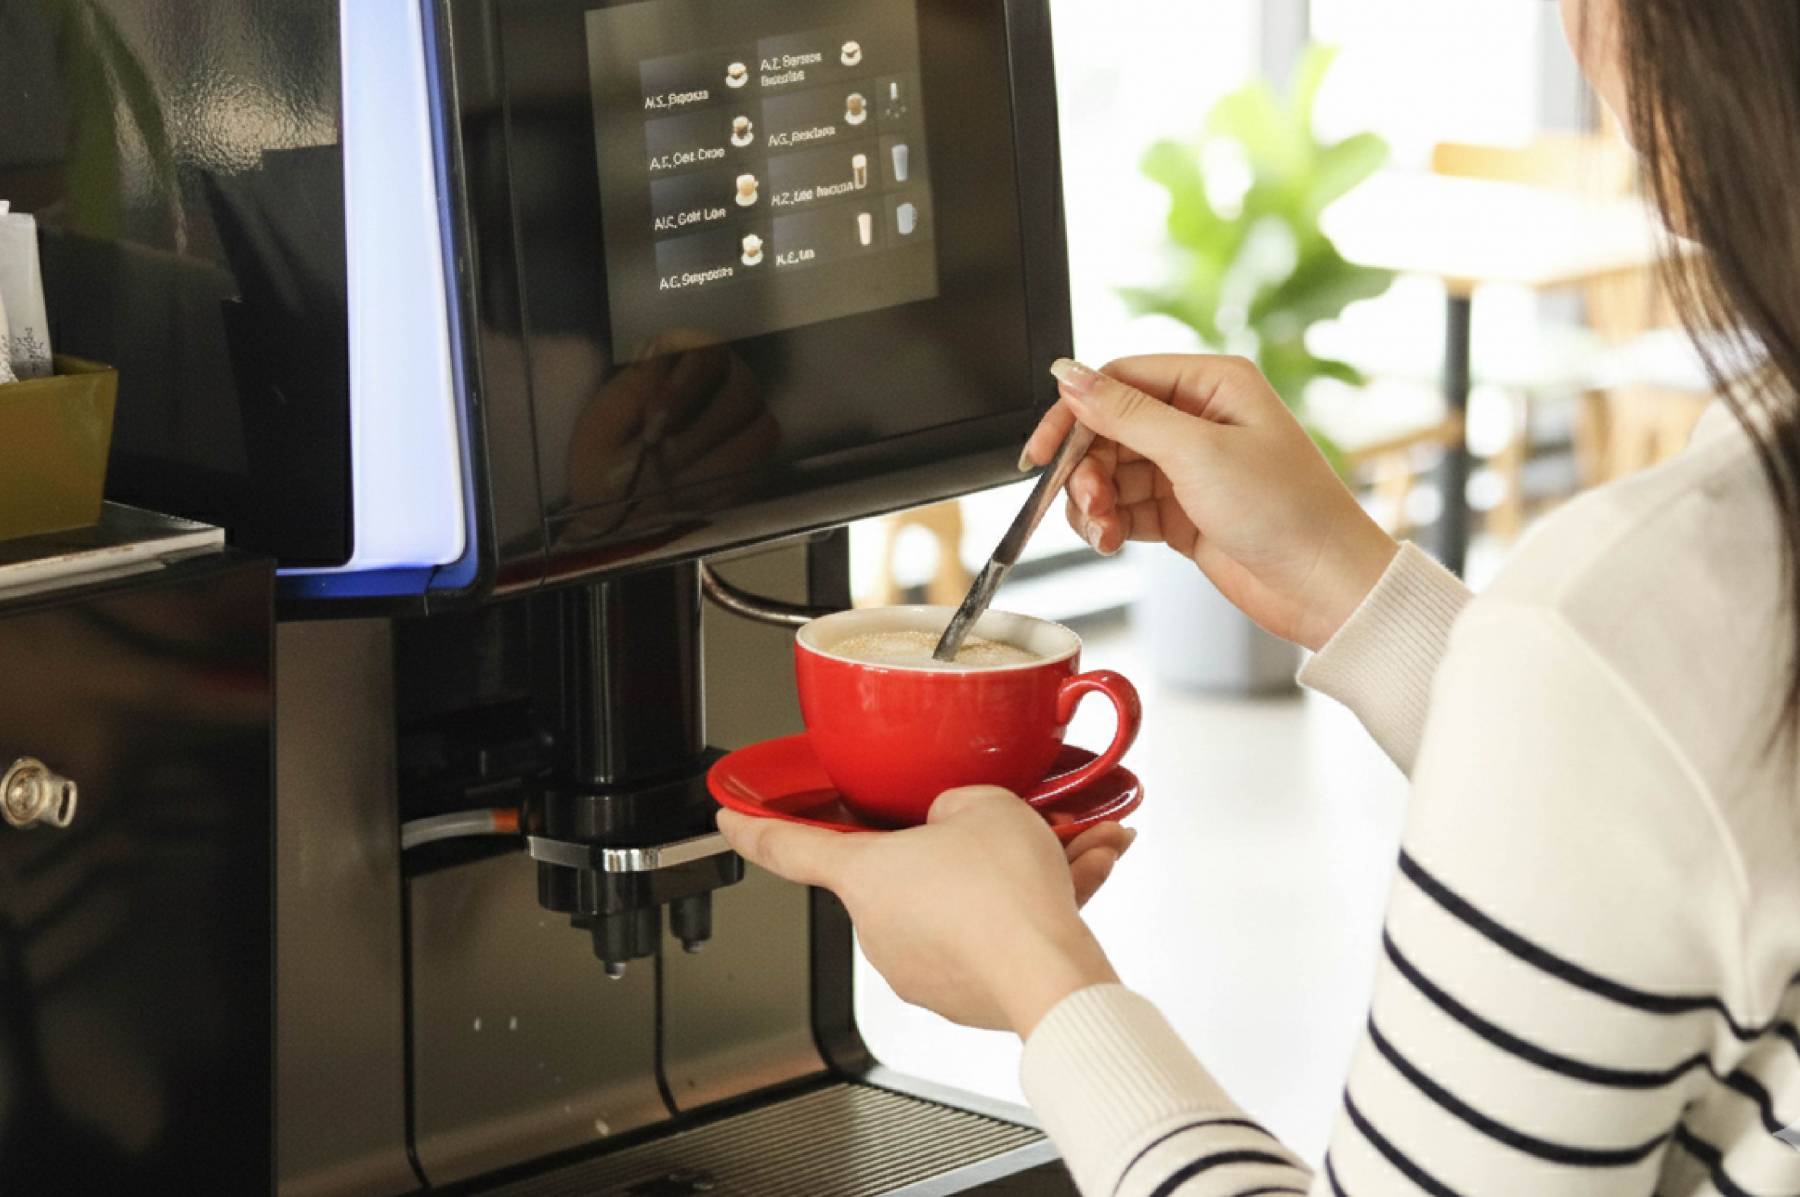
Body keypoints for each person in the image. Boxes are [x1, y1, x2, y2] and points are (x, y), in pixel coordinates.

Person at [718, 0, 1800, 1192]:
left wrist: (1040, 978)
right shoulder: (1679, 610)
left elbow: (1638, 723)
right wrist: (1349, 587)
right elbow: (1668, 796)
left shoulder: (1655, 598)